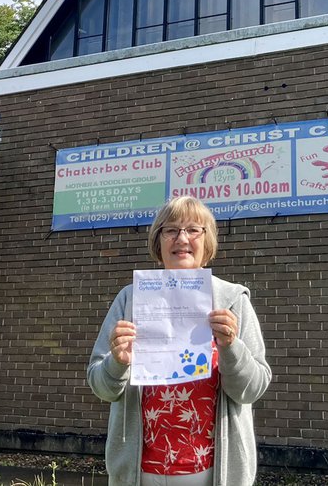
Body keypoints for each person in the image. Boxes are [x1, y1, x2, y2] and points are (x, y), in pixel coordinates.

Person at [88, 197, 271, 486]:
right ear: (158, 241)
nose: (181, 238)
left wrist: (231, 348)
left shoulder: (233, 301)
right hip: (140, 473)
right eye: (170, 229)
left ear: (207, 240)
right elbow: (101, 387)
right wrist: (117, 362)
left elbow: (253, 388)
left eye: (193, 229)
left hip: (212, 472)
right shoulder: (130, 299)